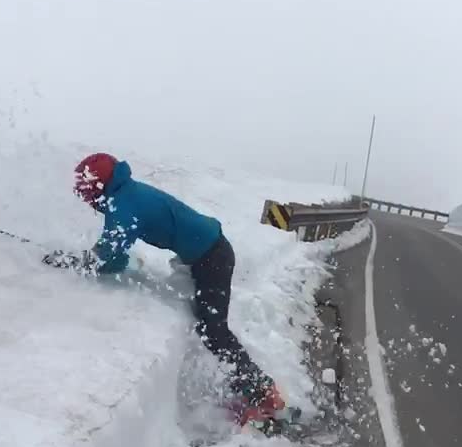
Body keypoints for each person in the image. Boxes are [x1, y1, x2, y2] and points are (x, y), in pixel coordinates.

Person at [44, 152, 285, 427]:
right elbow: (116, 252)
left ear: (97, 188)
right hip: (208, 253)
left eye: (87, 195)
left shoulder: (122, 206)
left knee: (214, 330)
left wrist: (73, 262)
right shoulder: (126, 193)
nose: (88, 202)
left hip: (212, 257)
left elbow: (109, 257)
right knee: (209, 325)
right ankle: (249, 388)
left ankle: (261, 394)